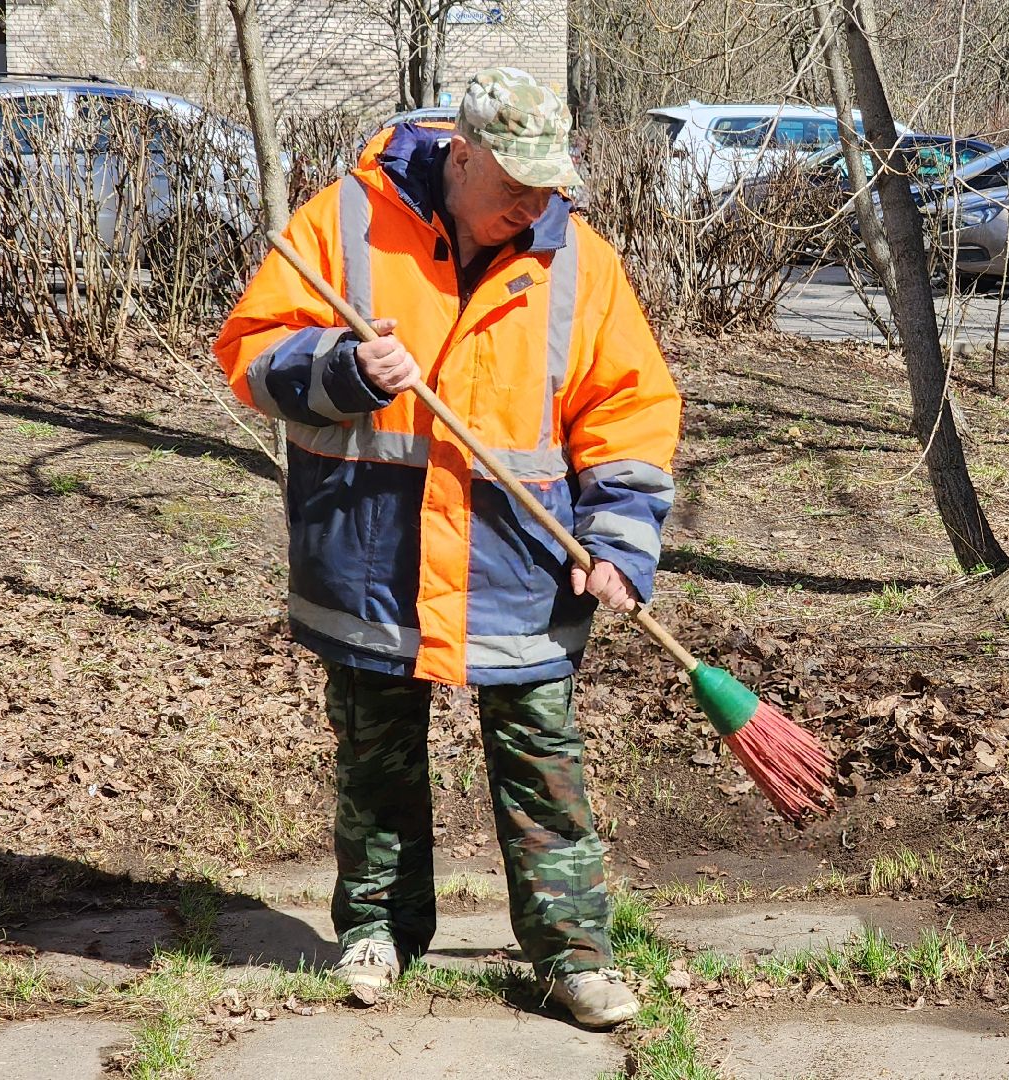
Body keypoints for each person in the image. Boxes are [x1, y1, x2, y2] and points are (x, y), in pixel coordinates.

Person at [213, 68, 679, 1029]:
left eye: (549, 186)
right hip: (371, 558)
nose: (532, 205)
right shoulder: (344, 220)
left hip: (523, 568)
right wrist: (342, 371)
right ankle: (376, 931)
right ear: (461, 153)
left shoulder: (580, 260)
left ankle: (572, 957)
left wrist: (621, 547)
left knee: (543, 764)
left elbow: (629, 413)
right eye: (513, 183)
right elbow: (251, 358)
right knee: (376, 762)